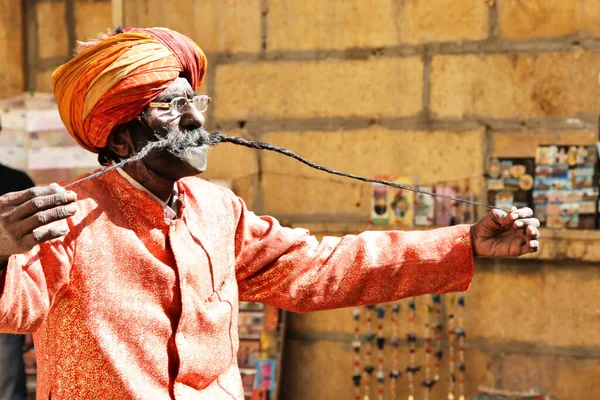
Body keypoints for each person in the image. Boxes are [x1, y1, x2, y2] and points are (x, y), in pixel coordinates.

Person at [0, 27, 540, 400]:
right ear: (119, 139)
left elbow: (323, 268)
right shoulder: (67, 217)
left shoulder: (217, 211)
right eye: (167, 106)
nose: (193, 118)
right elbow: (14, 307)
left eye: (195, 102)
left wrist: (465, 242)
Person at [0, 163, 35, 400]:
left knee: (8, 380)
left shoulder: (14, 182)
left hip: (7, 298)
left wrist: (34, 325)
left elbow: (35, 255)